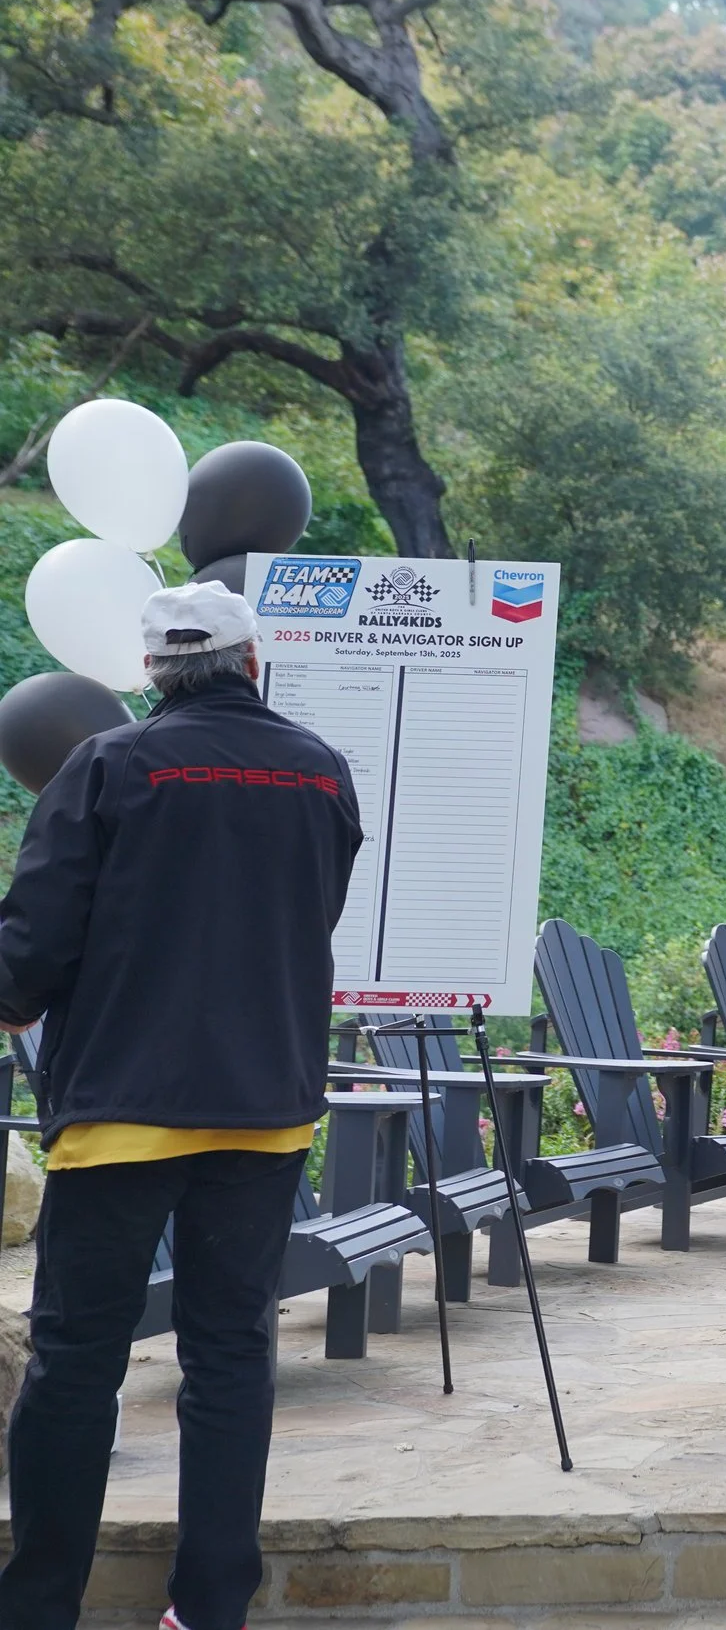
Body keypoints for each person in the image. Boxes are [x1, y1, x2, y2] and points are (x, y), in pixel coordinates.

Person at [0, 582, 363, 1630]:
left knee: (75, 1360)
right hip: (264, 1109)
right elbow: (312, 912)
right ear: (255, 663)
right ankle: (208, 1607)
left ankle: (39, 1606)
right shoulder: (320, 772)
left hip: (124, 1106)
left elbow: (34, 939)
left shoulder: (108, 764)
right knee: (229, 1353)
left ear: (153, 676)